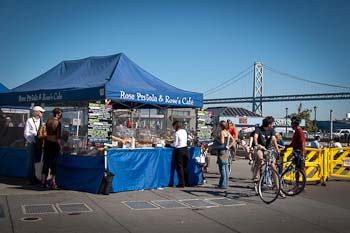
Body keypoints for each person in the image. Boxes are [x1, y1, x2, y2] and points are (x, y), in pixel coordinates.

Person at [252, 116, 284, 197]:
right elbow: (255, 137)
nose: (273, 125)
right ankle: (256, 175)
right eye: (272, 123)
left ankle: (278, 189)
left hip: (268, 149)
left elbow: (273, 139)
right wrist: (257, 144)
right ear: (269, 124)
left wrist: (277, 148)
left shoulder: (272, 130)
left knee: (273, 168)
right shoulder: (258, 129)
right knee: (260, 157)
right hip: (260, 147)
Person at [41, 108, 63, 189]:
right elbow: (58, 137)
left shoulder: (48, 121)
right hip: (54, 144)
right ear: (57, 114)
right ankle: (53, 182)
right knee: (54, 162)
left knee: (46, 161)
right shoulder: (58, 123)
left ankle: (43, 180)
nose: (61, 115)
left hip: (47, 142)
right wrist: (61, 147)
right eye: (60, 114)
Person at [23, 106, 45, 185]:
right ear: (36, 112)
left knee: (37, 161)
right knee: (30, 161)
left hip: (39, 144)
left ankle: (36, 177)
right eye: (41, 112)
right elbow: (26, 133)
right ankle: (29, 178)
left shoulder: (42, 121)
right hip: (32, 143)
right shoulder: (29, 120)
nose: (42, 113)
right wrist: (32, 140)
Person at [215, 120, 234, 189]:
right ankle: (224, 183)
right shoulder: (227, 132)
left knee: (222, 167)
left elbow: (222, 142)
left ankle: (223, 184)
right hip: (227, 151)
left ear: (220, 126)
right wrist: (229, 146)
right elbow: (233, 139)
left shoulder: (222, 132)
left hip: (222, 151)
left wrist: (216, 139)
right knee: (226, 167)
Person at [172, 121, 189, 188]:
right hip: (185, 149)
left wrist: (170, 144)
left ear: (175, 126)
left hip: (179, 150)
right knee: (185, 167)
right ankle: (186, 182)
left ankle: (181, 183)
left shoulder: (176, 133)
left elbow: (175, 144)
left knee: (180, 167)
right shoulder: (184, 131)